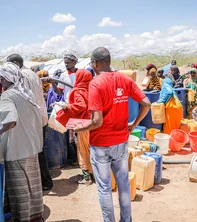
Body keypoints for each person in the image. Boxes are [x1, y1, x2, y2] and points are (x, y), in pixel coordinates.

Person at [75, 47, 151, 222]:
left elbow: (97, 121)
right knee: (123, 184)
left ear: (95, 63)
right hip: (121, 142)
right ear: (109, 61)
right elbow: (146, 104)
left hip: (101, 144)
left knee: (104, 188)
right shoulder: (124, 80)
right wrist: (134, 124)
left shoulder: (96, 83)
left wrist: (79, 128)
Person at [0, 62, 44, 222]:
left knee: (20, 190)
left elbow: (11, 121)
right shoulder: (25, 92)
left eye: (1, 77)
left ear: (3, 78)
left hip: (17, 149)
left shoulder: (8, 95)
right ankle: (35, 217)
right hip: (31, 147)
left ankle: (22, 218)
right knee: (32, 187)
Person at [7, 54, 53, 191]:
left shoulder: (21, 76)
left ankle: (44, 182)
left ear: (15, 63)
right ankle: (44, 181)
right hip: (40, 117)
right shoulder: (32, 74)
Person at [56, 69, 94, 185]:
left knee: (82, 149)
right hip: (94, 121)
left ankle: (87, 177)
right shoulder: (92, 89)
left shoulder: (78, 91)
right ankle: (94, 173)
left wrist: (67, 106)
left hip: (83, 124)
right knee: (91, 149)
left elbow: (80, 106)